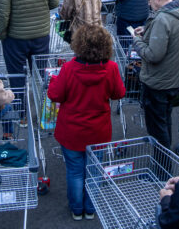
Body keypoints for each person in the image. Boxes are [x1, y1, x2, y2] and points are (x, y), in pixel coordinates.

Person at [47, 25, 125, 221]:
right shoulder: (111, 68)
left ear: (78, 45)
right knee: (94, 170)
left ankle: (76, 209)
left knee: (75, 170)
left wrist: (55, 80)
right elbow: (119, 93)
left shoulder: (69, 68)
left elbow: (55, 94)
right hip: (98, 131)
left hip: (71, 130)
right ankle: (90, 209)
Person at [133, 0, 179, 150]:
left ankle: (161, 169)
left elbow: (153, 55)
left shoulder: (162, 19)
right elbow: (172, 35)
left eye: (149, 0)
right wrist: (148, 31)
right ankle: (165, 165)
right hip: (175, 79)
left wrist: (137, 41)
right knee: (165, 122)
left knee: (157, 132)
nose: (149, 3)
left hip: (158, 83)